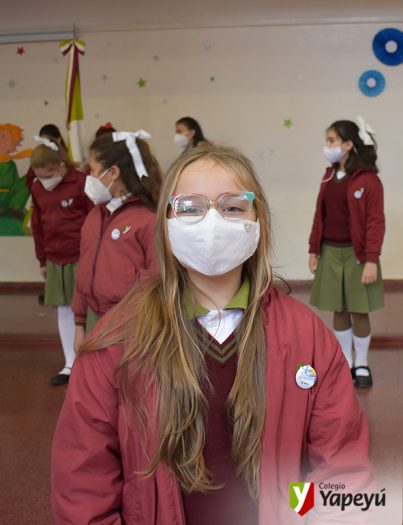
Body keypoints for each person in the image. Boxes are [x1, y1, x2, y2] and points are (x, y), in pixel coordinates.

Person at [52, 144, 372, 524]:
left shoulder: (307, 336)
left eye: (232, 207)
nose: (212, 222)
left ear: (258, 221)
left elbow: (341, 469)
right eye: (190, 208)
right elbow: (84, 485)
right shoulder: (118, 340)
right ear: (166, 222)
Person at [308, 117, 385, 389]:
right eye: (327, 140)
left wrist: (371, 260)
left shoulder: (368, 180)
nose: (327, 146)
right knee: (338, 310)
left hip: (358, 256)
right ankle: (346, 361)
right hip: (330, 252)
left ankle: (361, 363)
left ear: (349, 144)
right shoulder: (328, 176)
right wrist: (314, 248)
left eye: (332, 140)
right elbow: (319, 215)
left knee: (359, 310)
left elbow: (376, 222)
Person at [72, 130, 161, 350]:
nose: (89, 178)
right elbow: (84, 270)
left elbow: (157, 279)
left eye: (93, 171)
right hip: (94, 319)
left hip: (131, 325)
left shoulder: (148, 219)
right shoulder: (94, 216)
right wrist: (79, 324)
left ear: (113, 173)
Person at [30, 136, 92, 385]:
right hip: (55, 256)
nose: (45, 181)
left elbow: (94, 218)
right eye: (39, 176)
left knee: (86, 308)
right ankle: (70, 363)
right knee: (64, 309)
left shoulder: (80, 182)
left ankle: (91, 362)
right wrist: (42, 258)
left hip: (81, 255)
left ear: (61, 166)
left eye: (49, 175)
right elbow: (37, 225)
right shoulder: (36, 187)